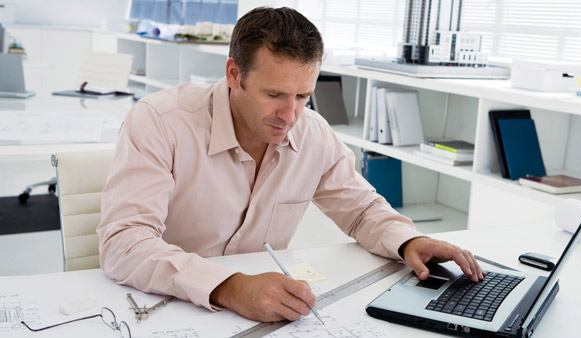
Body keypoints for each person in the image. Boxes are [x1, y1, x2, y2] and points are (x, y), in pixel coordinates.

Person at [97, 6, 484, 324]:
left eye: (303, 95)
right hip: (162, 309)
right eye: (274, 94)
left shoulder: (312, 132)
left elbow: (362, 210)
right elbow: (123, 243)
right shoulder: (160, 122)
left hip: (261, 317)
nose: (290, 114)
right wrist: (230, 286)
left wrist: (409, 240)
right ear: (234, 74)